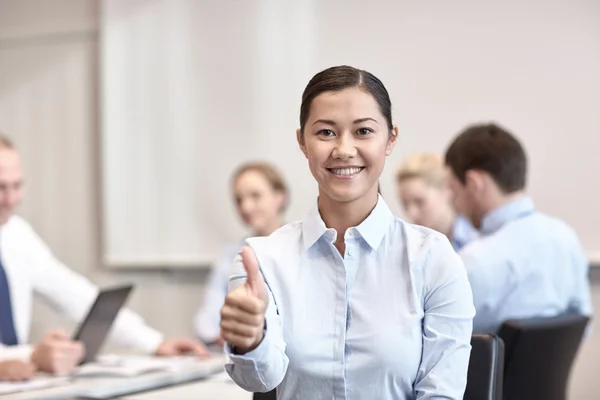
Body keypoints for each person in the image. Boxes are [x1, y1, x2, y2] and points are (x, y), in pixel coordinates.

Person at [219, 66, 475, 399]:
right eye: (325, 132)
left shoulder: (433, 258)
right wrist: (250, 340)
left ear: (390, 139)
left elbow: (442, 392)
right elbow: (261, 380)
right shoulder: (261, 259)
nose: (343, 149)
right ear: (302, 141)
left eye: (363, 131)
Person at [0, 135, 208, 375]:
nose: (11, 200)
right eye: (1, 187)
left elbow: (75, 294)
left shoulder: (17, 235)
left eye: (17, 186)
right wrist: (32, 355)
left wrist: (153, 342)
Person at [444, 123, 593, 334]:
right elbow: (583, 329)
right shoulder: (566, 237)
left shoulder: (474, 263)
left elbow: (436, 343)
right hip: (551, 368)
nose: (453, 202)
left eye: (453, 189)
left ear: (474, 183)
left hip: (485, 368)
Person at [194, 162, 288, 345]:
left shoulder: (302, 250)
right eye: (239, 200)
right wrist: (224, 334)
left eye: (255, 196)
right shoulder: (229, 256)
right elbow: (206, 322)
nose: (246, 207)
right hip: (236, 353)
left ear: (279, 196)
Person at [396, 152, 479, 251]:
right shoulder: (408, 250)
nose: (411, 214)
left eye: (419, 202)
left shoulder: (479, 240)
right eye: (405, 204)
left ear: (448, 188)